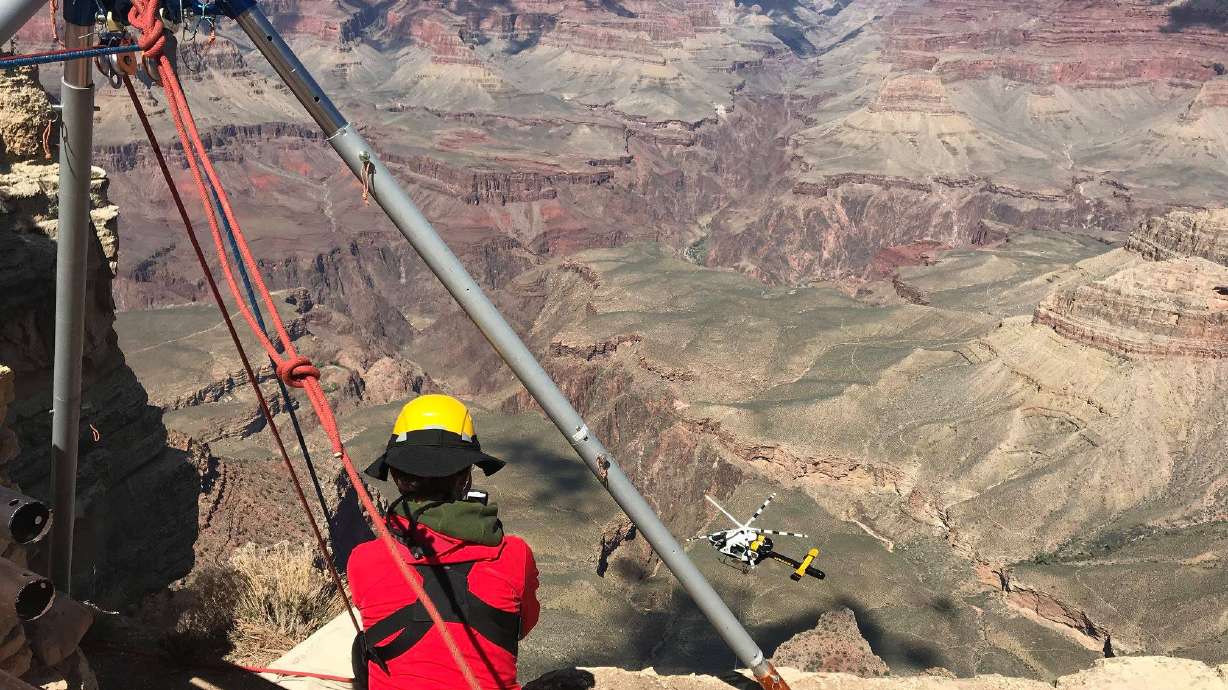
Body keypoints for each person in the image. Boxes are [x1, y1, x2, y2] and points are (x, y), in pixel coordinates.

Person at [348, 394, 540, 690]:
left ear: (398, 477)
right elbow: (521, 628)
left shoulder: (364, 560)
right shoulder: (515, 555)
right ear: (465, 477)